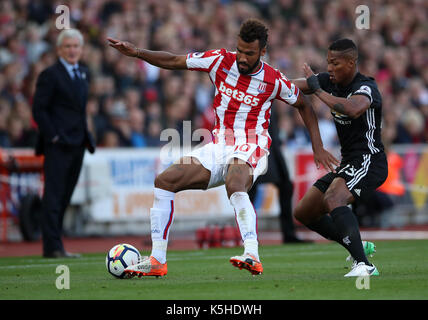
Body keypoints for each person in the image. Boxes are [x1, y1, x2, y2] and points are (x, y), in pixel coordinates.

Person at [108, 19, 338, 277]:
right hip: (219, 145)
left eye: (249, 53)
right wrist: (138, 52)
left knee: (234, 182)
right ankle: (157, 260)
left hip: (253, 144)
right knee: (164, 181)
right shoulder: (219, 60)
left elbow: (304, 105)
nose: (241, 57)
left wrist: (317, 146)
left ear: (262, 52)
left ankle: (252, 253)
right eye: (239, 50)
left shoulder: (272, 79)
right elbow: (174, 60)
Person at [292, 39, 387, 277]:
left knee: (334, 197)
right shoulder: (327, 82)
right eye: (328, 63)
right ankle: (353, 243)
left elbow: (352, 108)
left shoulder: (366, 87)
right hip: (348, 162)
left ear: (351, 62)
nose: (330, 68)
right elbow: (288, 86)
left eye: (335, 63)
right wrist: (259, 83)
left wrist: (318, 90)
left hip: (369, 160)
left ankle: (364, 265)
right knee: (304, 212)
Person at [32, 29, 95, 258]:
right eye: (67, 46)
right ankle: (52, 247)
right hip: (59, 145)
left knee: (65, 195)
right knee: (54, 195)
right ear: (59, 49)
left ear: (81, 49)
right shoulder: (50, 75)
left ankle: (57, 245)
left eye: (76, 46)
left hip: (78, 143)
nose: (72, 50)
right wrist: (54, 136)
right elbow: (39, 110)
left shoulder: (83, 73)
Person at [248, 104, 309, 243]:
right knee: (251, 191)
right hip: (258, 147)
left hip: (273, 147)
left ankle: (288, 234)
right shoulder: (257, 96)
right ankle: (248, 235)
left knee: (285, 187)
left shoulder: (269, 100)